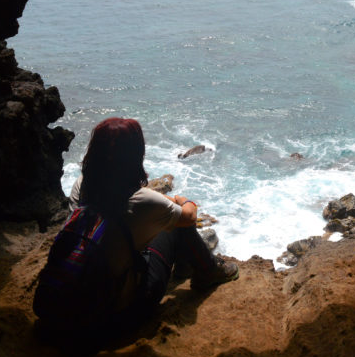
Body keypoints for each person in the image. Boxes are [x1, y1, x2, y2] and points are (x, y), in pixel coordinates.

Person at [36, 117, 238, 343]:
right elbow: (189, 217)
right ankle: (207, 271)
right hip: (114, 319)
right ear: (136, 154)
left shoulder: (82, 184)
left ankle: (187, 267)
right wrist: (183, 199)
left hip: (59, 306)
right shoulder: (144, 202)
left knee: (156, 223)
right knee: (175, 225)